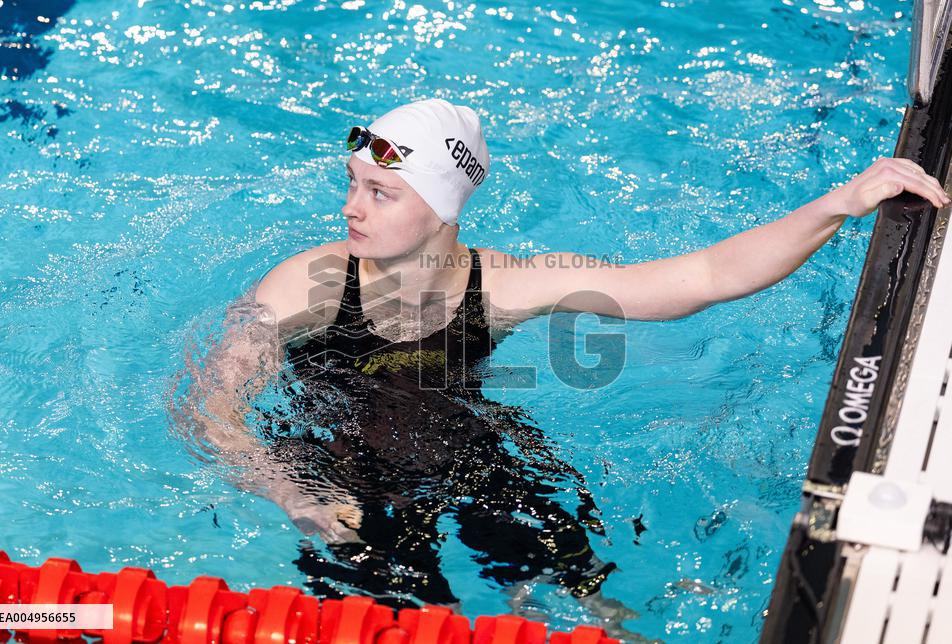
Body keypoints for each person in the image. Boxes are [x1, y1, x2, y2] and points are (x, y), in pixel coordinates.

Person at [170, 98, 950, 636]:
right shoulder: (307, 283)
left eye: (380, 190)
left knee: (589, 600)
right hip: (332, 472)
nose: (352, 208)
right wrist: (290, 491)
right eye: (352, 184)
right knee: (398, 619)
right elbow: (207, 406)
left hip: (465, 452)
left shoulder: (505, 285)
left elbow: (700, 278)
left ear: (444, 209)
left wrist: (837, 204)